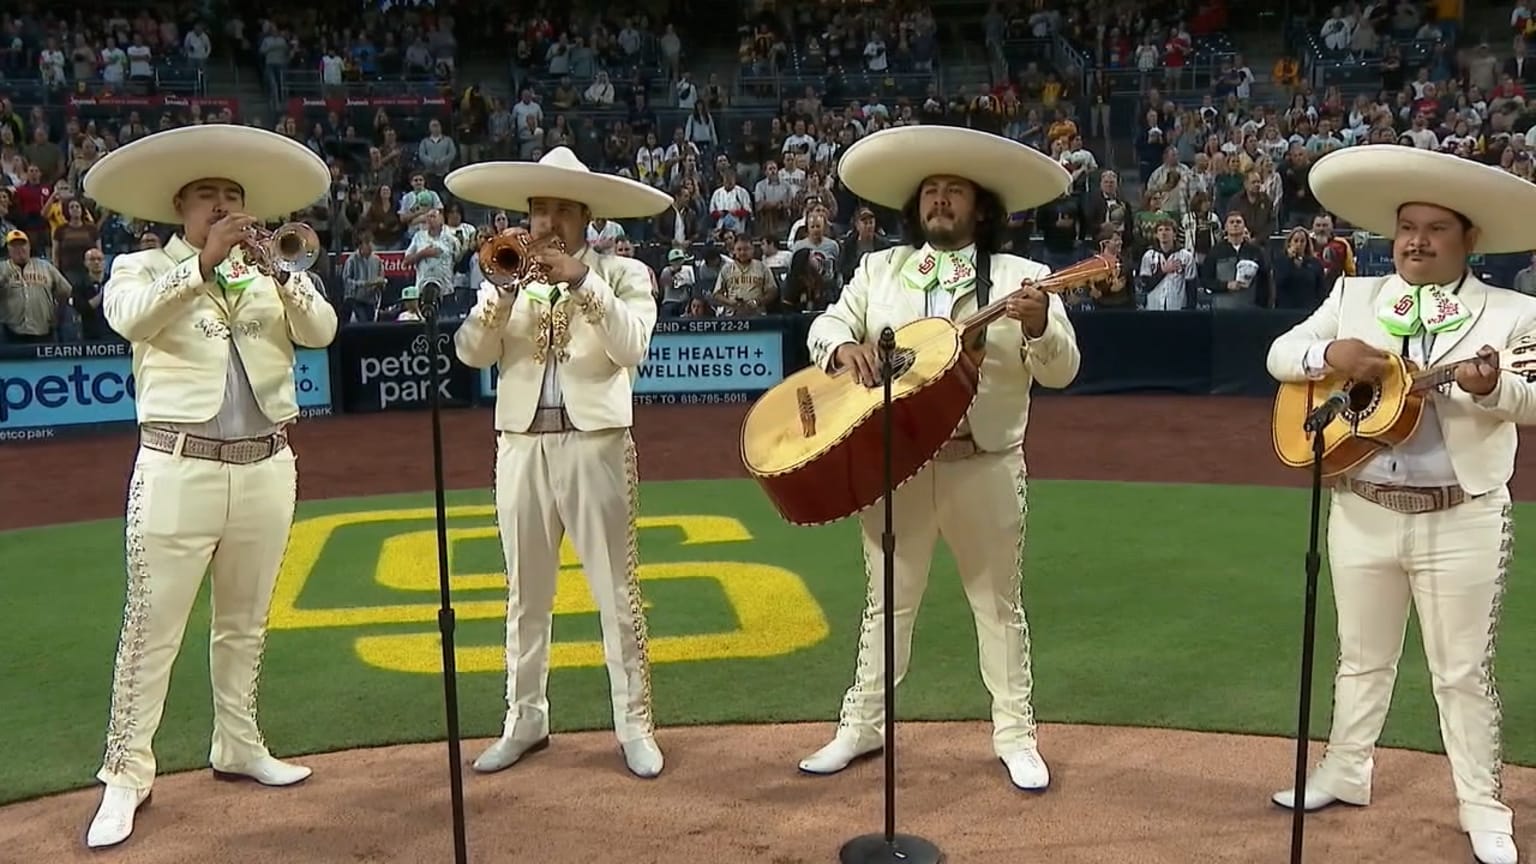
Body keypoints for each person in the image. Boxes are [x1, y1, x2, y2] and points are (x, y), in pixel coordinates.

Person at [1266, 145, 1536, 864]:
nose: (1416, 239)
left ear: (1468, 238)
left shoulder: (1513, 313)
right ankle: (1346, 771)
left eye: (1434, 227)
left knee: (1460, 672)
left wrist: (1491, 389)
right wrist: (1332, 358)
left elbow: (1534, 398)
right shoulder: (1356, 297)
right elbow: (1280, 353)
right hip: (1362, 504)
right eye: (1407, 226)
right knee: (1360, 659)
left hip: (1463, 513)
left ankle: (1483, 805)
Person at [798, 126, 1082, 791]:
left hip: (984, 461)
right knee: (885, 606)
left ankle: (1015, 737)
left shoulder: (1023, 279)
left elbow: (1064, 370)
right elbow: (826, 325)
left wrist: (1039, 324)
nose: (941, 200)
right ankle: (862, 727)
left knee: (997, 606)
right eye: (931, 191)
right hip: (895, 465)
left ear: (982, 207)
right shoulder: (879, 270)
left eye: (955, 191)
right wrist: (843, 351)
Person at [78, 125, 337, 849]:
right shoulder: (138, 268)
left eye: (233, 198)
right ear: (179, 209)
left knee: (245, 622)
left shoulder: (271, 270)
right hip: (176, 463)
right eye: (207, 198)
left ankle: (239, 744)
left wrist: (280, 272)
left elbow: (322, 331)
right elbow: (128, 318)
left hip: (266, 463)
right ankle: (125, 774)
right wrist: (201, 266)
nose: (223, 209)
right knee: (152, 629)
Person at [447, 148, 672, 779]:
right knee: (525, 595)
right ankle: (525, 720)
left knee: (615, 591)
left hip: (596, 442)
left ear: (586, 218)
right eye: (539, 209)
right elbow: (470, 354)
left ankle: (634, 725)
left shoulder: (622, 274)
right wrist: (498, 292)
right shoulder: (507, 276)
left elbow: (632, 348)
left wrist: (580, 278)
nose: (547, 222)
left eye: (562, 210)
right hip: (520, 443)